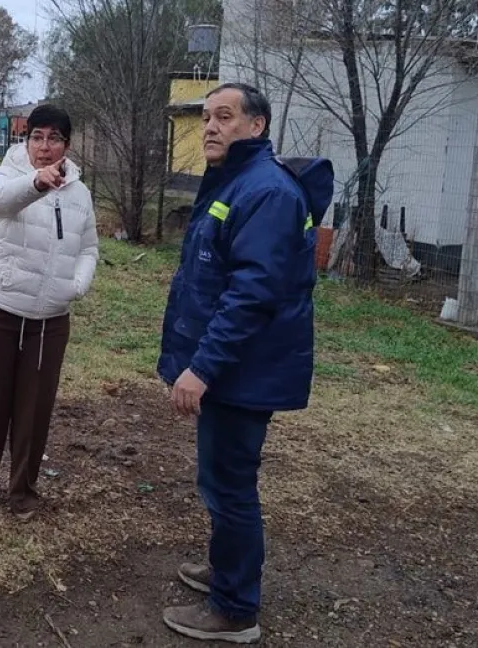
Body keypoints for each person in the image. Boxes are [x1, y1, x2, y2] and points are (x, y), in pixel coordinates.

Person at [157, 83, 333, 644]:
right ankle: (226, 570)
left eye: (224, 116)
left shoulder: (267, 193)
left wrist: (202, 368)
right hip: (236, 367)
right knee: (220, 479)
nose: (210, 126)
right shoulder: (236, 181)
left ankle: (234, 609)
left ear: (256, 127)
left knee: (230, 485)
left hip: (242, 371)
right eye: (207, 116)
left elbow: (251, 295)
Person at [0, 104, 99, 520]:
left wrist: (77, 284)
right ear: (26, 140)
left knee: (34, 407)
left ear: (67, 146)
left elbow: (89, 248)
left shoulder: (80, 193)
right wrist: (36, 182)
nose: (45, 146)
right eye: (37, 136)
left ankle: (23, 490)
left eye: (54, 138)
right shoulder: (10, 173)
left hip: (49, 320)